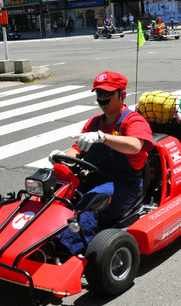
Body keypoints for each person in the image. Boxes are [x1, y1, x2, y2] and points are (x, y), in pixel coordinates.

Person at [49, 71, 154, 255]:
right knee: (53, 193)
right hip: (94, 179)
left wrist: (102, 138)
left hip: (125, 185)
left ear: (122, 95)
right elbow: (76, 150)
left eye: (108, 94)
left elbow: (136, 145)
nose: (102, 98)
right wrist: (61, 156)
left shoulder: (133, 120)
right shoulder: (94, 123)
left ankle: (63, 250)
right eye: (99, 94)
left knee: (91, 206)